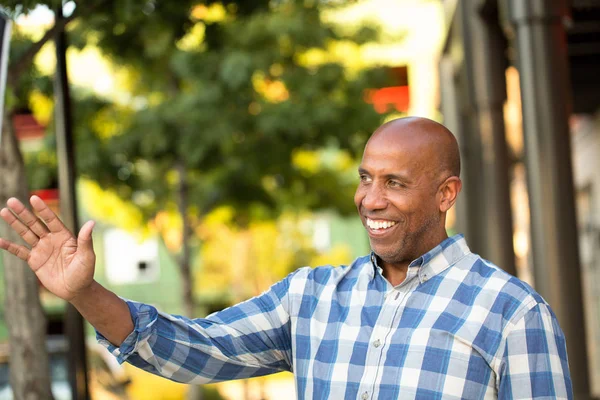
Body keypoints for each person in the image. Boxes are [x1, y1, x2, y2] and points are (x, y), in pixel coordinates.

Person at [0, 117, 571, 399]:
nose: (370, 200)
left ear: (446, 194)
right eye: (366, 178)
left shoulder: (513, 315)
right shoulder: (312, 297)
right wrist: (83, 293)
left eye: (394, 183)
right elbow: (199, 350)